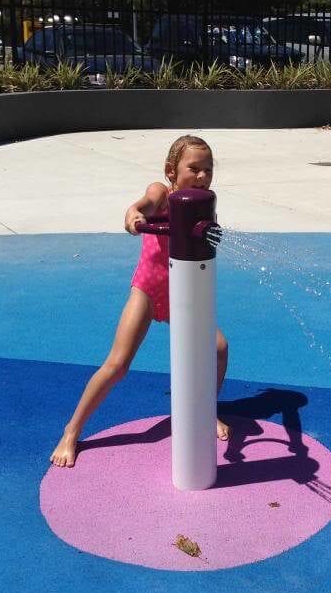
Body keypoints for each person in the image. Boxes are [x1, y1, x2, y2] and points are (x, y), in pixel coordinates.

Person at [50, 134, 230, 468]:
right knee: (117, 365)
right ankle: (71, 431)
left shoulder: (203, 204)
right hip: (148, 292)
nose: (203, 176)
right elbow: (141, 205)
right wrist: (133, 216)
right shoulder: (163, 195)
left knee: (218, 348)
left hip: (184, 295)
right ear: (171, 171)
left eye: (208, 169)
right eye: (194, 168)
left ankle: (205, 412)